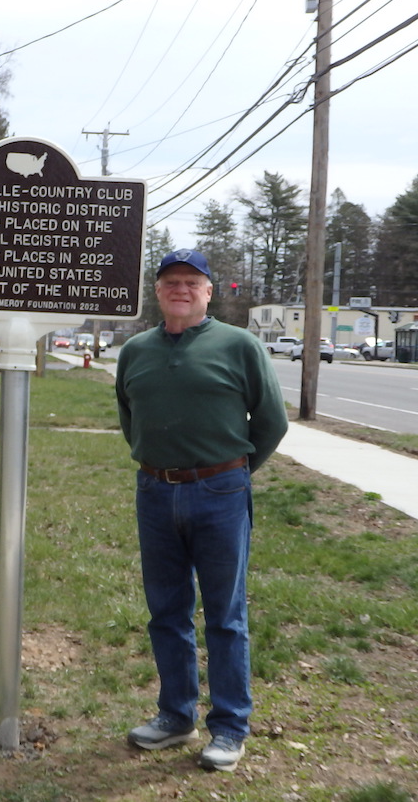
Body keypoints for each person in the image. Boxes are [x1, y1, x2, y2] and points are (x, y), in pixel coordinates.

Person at [115, 249, 288, 772]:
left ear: (209, 292)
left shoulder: (239, 345)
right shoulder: (135, 350)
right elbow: (129, 415)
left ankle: (230, 728)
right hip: (155, 491)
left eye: (192, 281)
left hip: (220, 493)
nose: (181, 289)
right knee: (166, 611)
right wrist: (161, 465)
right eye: (171, 281)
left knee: (225, 617)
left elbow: (272, 422)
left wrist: (230, 475)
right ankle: (175, 716)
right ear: (158, 290)